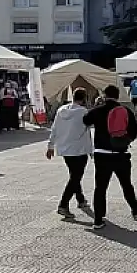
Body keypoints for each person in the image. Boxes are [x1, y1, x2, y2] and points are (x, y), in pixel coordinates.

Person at [83, 85, 137, 230]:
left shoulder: (98, 110)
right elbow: (134, 132)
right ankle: (135, 207)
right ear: (118, 96)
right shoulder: (125, 111)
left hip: (101, 154)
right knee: (126, 183)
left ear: (104, 95)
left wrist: (96, 106)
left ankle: (98, 219)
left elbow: (85, 120)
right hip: (121, 154)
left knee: (100, 187)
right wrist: (124, 141)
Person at [47, 87, 94, 219]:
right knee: (76, 177)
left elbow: (54, 128)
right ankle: (63, 204)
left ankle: (80, 198)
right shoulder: (83, 112)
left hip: (64, 148)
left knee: (74, 174)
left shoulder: (61, 110)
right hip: (79, 149)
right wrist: (91, 150)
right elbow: (87, 132)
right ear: (84, 98)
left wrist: (50, 145)